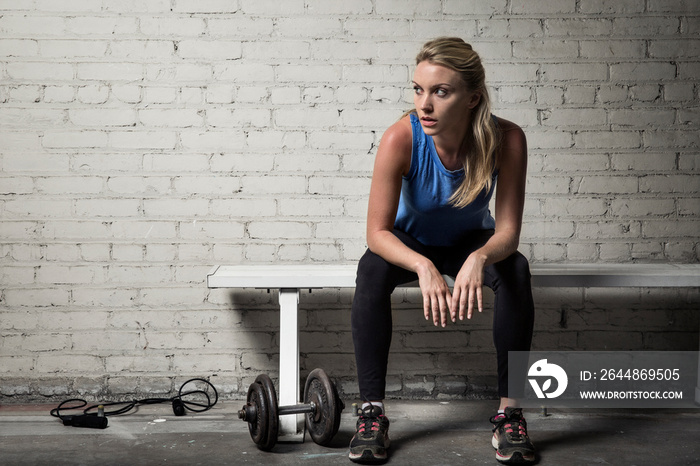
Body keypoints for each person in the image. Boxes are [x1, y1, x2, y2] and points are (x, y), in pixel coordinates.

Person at [348, 37, 536, 464]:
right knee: (371, 270)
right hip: (410, 241)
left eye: (440, 92)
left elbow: (508, 231)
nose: (424, 104)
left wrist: (480, 257)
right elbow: (376, 232)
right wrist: (421, 265)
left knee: (516, 270)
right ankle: (372, 413)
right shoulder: (401, 137)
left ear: (472, 98)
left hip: (471, 241)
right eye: (418, 90)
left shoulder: (506, 139)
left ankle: (511, 414)